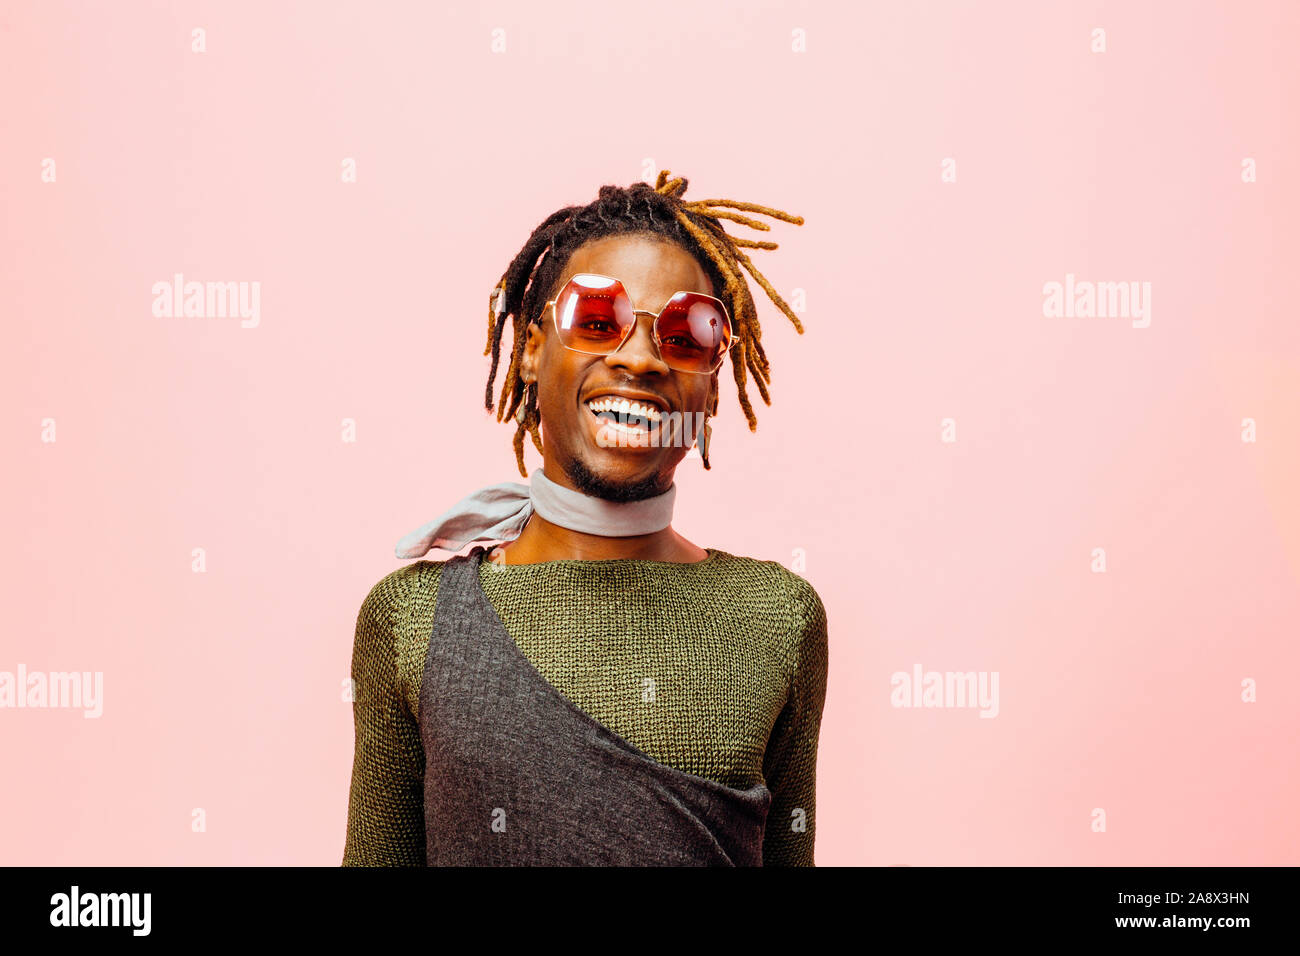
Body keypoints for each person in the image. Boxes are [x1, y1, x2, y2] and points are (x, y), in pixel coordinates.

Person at [342, 170, 828, 866]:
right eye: (598, 323)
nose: (640, 358)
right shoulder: (410, 620)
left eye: (686, 335)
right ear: (532, 349)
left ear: (712, 384)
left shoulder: (777, 617)